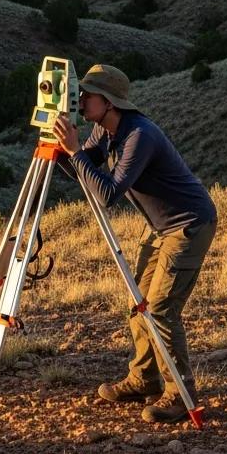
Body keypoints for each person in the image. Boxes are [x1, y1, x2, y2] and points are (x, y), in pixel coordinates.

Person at [53, 63, 217, 423]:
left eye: (88, 95)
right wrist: (63, 149)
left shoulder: (139, 135)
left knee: (159, 308)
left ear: (109, 102)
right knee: (137, 301)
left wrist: (75, 151)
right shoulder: (103, 129)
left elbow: (108, 194)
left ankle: (179, 393)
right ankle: (145, 377)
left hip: (188, 225)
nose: (81, 101)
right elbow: (81, 171)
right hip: (158, 228)